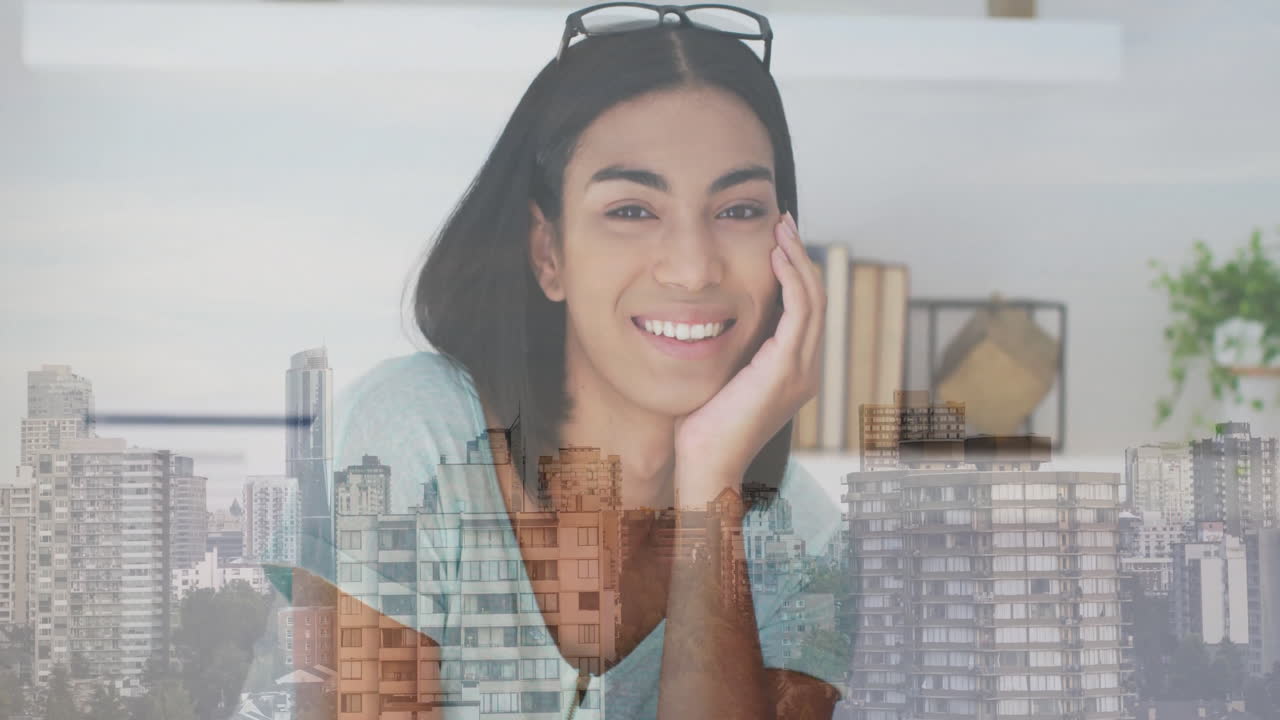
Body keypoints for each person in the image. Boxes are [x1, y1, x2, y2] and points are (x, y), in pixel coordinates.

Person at [321, 4, 850, 718]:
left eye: (738, 210)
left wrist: (710, 498)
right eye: (632, 210)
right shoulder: (414, 435)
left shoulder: (808, 541)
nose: (694, 269)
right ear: (549, 253)